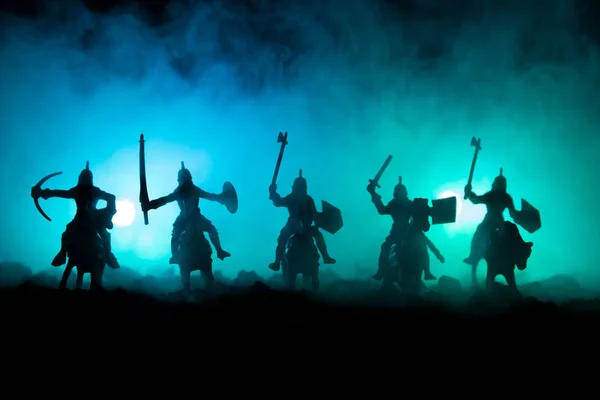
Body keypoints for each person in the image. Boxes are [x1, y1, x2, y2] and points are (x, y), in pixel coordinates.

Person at [31, 162, 120, 269]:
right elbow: (60, 193)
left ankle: (108, 255)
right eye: (83, 177)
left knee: (104, 234)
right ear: (80, 178)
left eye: (86, 177)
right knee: (66, 234)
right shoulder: (77, 190)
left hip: (94, 218)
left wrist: (107, 216)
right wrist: (43, 193)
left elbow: (111, 197)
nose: (85, 179)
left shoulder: (94, 191)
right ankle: (62, 253)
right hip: (80, 217)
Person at [142, 162, 230, 263]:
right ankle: (175, 256)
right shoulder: (182, 191)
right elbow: (165, 200)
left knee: (210, 230)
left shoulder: (192, 190)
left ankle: (219, 251)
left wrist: (221, 198)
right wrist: (151, 205)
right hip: (186, 217)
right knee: (176, 235)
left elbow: (209, 196)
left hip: (194, 217)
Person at [367, 176, 436, 280]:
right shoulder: (394, 204)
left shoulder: (410, 204)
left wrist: (426, 211)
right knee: (385, 247)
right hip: (397, 232)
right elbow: (382, 210)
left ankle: (427, 272)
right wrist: (373, 194)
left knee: (422, 247)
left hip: (410, 231)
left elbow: (421, 214)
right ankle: (381, 271)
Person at [268, 169, 336, 271]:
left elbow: (279, 202)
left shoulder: (305, 199)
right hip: (294, 226)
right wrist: (273, 194)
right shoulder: (301, 198)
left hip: (302, 227)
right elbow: (278, 202)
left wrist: (274, 194)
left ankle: (326, 257)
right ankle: (277, 262)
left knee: (283, 238)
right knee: (282, 238)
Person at [463, 168, 518, 268]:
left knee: (478, 234)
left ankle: (473, 256)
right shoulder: (506, 197)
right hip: (499, 222)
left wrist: (469, 193)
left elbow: (476, 200)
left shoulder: (492, 195)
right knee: (479, 234)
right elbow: (513, 213)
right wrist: (470, 193)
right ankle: (473, 256)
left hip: (489, 222)